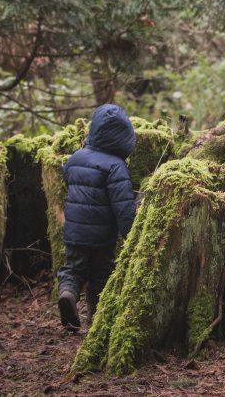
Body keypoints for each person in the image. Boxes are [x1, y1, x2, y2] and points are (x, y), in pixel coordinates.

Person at [57, 103, 137, 332]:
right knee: (100, 276)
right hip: (102, 237)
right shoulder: (116, 166)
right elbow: (123, 209)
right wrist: (132, 235)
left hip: (74, 233)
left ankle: (67, 294)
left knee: (73, 269)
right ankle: (97, 321)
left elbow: (69, 183)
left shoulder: (75, 159)